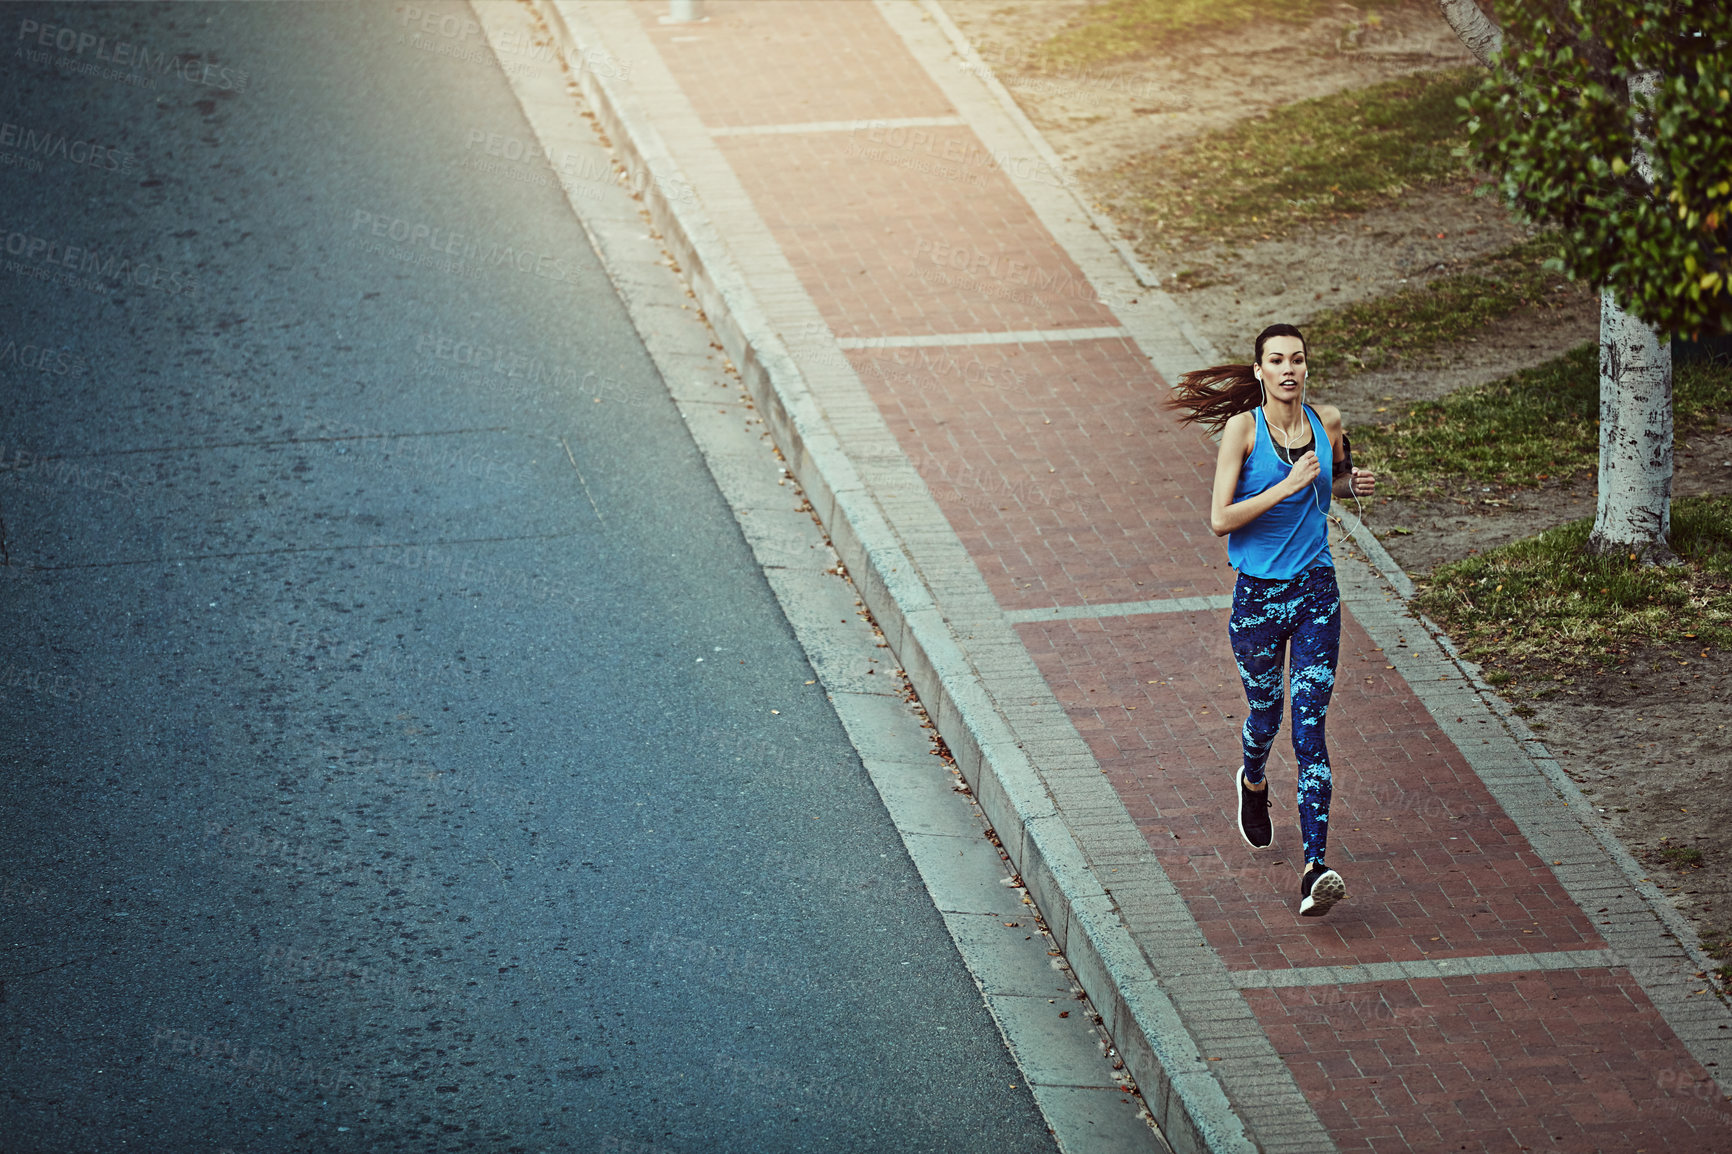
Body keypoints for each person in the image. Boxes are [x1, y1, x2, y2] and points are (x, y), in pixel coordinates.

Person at [1167, 323, 1375, 917]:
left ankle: (1316, 867)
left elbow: (1327, 486)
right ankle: (1252, 781)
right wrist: (1286, 486)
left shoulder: (1326, 423)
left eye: (1298, 359)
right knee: (1266, 713)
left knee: (1309, 729)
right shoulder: (1242, 431)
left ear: (1307, 368)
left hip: (1317, 593)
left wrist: (1348, 482)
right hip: (1258, 600)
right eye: (1277, 360)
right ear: (1259, 371)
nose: (1289, 369)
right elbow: (1219, 518)